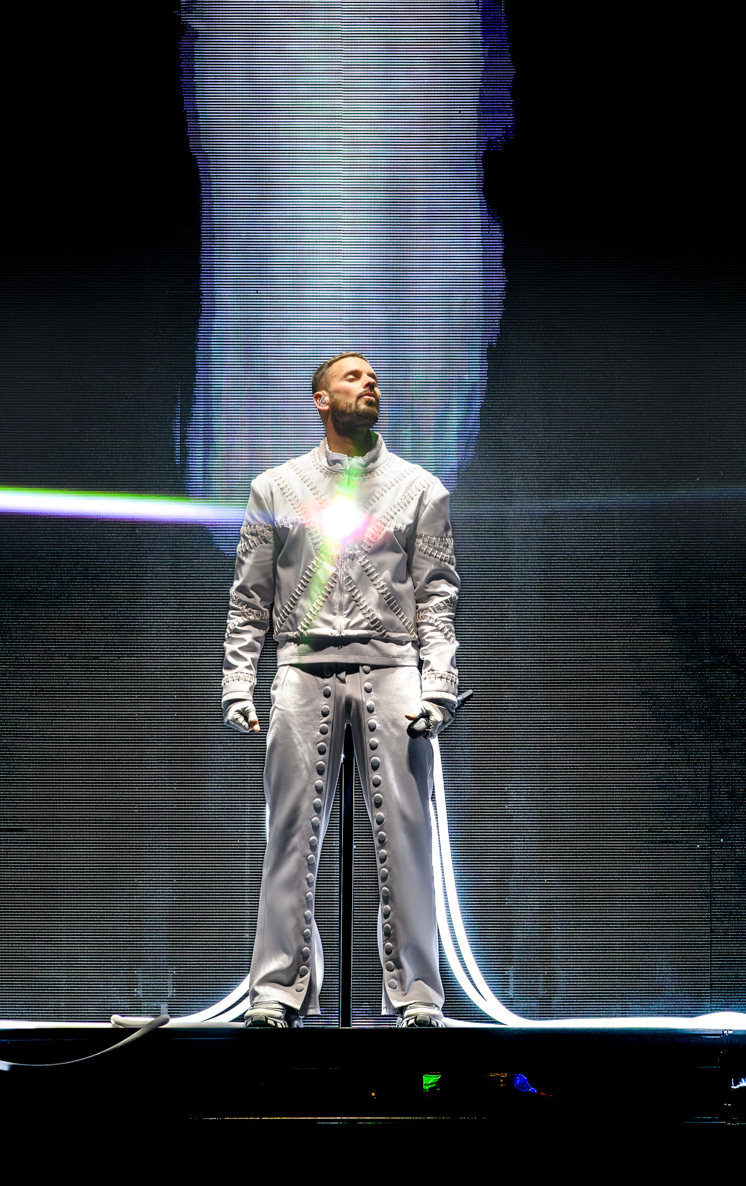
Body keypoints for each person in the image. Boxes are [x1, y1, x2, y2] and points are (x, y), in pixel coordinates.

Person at [222, 352, 460, 1027]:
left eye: (374, 377)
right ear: (321, 399)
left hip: (394, 666)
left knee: (408, 835)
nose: (369, 383)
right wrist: (238, 681)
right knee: (288, 835)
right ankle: (275, 991)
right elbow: (250, 597)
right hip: (301, 666)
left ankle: (418, 994)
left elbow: (437, 598)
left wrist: (439, 686)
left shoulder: (419, 488)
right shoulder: (276, 487)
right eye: (353, 377)